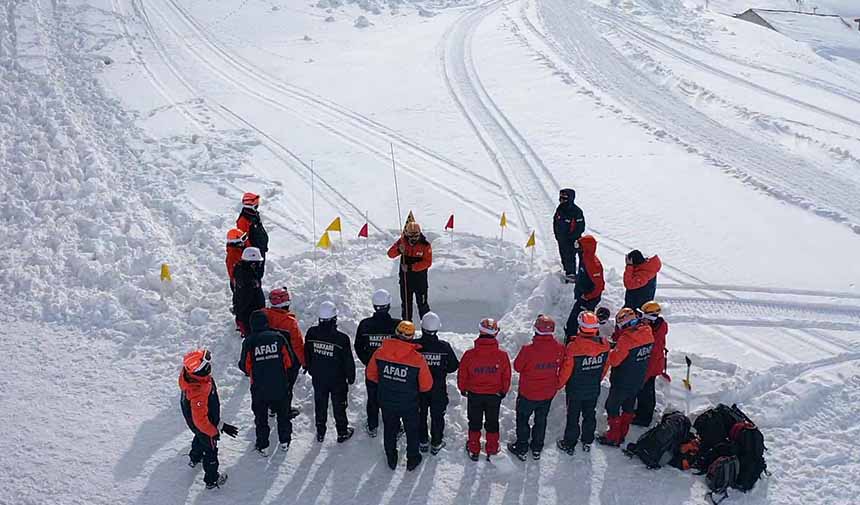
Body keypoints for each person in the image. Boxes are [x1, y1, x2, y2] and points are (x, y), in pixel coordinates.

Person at [366, 321, 433, 471]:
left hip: (386, 400)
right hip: (409, 403)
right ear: (412, 337)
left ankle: (391, 458)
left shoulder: (380, 352)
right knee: (412, 430)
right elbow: (426, 385)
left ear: (396, 332)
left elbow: (371, 375)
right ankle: (413, 459)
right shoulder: (417, 359)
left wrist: (387, 383)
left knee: (390, 429)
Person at [507, 315, 565, 461]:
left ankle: (521, 447)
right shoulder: (559, 348)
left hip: (528, 393)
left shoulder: (528, 350)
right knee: (541, 420)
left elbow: (518, 367)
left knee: (523, 419)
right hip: (547, 393)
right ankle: (537, 447)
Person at [179, 349, 238, 489]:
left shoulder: (193, 377)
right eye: (207, 365)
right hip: (204, 426)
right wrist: (214, 431)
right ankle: (211, 480)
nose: (210, 366)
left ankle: (194, 458)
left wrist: (219, 424)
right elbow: (201, 422)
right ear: (200, 371)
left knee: (199, 437)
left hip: (197, 423)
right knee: (210, 449)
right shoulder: (198, 392)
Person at [238, 311, 294, 454]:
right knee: (283, 414)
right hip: (280, 384)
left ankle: (263, 445)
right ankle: (285, 441)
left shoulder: (249, 342)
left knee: (261, 418)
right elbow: (289, 361)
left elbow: (244, 365)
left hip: (259, 387)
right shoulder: (278, 337)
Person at [556, 311, 610, 454]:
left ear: (580, 327)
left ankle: (569, 443)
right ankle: (587, 440)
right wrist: (597, 378)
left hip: (575, 390)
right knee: (589, 414)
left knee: (573, 416)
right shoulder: (604, 345)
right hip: (593, 388)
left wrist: (558, 384)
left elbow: (566, 370)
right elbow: (605, 366)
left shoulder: (573, 347)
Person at [598, 308, 654, 447]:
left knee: (612, 406)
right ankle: (622, 433)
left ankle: (613, 437)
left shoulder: (626, 340)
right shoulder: (648, 333)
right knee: (628, 406)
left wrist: (611, 351)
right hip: (638, 379)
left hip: (622, 380)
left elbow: (615, 360)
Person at [457, 318, 511, 461]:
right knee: (492, 422)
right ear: (495, 333)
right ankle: (492, 448)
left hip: (474, 395)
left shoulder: (469, 355)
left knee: (474, 421)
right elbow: (506, 376)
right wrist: (503, 391)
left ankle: (474, 448)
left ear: (480, 331)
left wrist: (463, 389)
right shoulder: (502, 356)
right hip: (494, 396)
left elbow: (462, 374)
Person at [304, 301, 356, 443]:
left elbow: (306, 354)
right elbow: (348, 361)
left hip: (319, 377)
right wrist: (351, 378)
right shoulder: (341, 339)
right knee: (339, 405)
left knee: (320, 403)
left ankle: (320, 432)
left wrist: (310, 369)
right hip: (337, 380)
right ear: (334, 318)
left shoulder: (311, 333)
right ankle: (342, 432)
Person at [354, 289, 400, 437]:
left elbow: (358, 346)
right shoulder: (397, 325)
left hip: (372, 370)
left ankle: (373, 425)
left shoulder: (365, 325)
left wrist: (368, 362)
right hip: (392, 371)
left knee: (372, 398)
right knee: (393, 398)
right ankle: (395, 427)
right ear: (388, 305)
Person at [414, 312, 459, 455]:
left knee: (420, 415)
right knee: (437, 415)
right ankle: (436, 442)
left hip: (419, 388)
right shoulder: (444, 347)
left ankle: (422, 441)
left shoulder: (415, 346)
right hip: (438, 389)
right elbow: (453, 366)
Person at [262, 287, 305, 419]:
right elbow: (297, 346)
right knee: (286, 388)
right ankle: (285, 410)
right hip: (287, 362)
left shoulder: (263, 315)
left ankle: (272, 407)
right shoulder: (290, 323)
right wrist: (304, 362)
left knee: (271, 384)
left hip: (268, 358)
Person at [633, 301, 669, 427]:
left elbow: (653, 358)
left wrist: (644, 376)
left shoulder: (655, 337)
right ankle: (642, 412)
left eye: (644, 317)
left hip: (651, 367)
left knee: (646, 392)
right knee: (646, 391)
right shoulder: (656, 327)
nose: (641, 319)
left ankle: (644, 418)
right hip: (650, 365)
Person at [387, 221, 432, 321]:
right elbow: (390, 254)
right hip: (406, 281)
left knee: (423, 305)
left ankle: (428, 328)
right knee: (406, 307)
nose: (414, 239)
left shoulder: (425, 245)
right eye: (411, 236)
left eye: (416, 236)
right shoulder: (402, 241)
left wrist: (411, 267)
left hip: (420, 281)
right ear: (407, 234)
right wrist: (399, 250)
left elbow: (427, 262)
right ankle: (406, 327)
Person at [563, 235, 605, 338]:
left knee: (574, 321)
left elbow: (600, 286)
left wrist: (587, 297)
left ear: (585, 247)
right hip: (584, 294)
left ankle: (572, 338)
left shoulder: (593, 264)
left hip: (588, 298)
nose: (577, 247)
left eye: (580, 245)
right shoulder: (585, 257)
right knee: (584, 319)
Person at [553, 188, 585, 281]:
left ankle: (572, 276)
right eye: (561, 197)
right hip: (561, 239)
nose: (562, 199)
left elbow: (581, 227)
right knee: (564, 256)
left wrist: (572, 237)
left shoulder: (577, 211)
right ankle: (567, 271)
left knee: (570, 257)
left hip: (571, 240)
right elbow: (555, 221)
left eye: (565, 197)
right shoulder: (560, 208)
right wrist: (557, 234)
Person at [232, 247, 265, 336]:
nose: (259, 265)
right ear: (252, 263)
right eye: (258, 263)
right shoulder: (248, 280)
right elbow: (245, 300)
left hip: (248, 315)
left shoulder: (243, 272)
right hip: (251, 318)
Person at [236, 192, 269, 277]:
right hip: (254, 254)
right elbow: (244, 239)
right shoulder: (244, 219)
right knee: (254, 275)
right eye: (256, 203)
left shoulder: (254, 215)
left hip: (260, 249)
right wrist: (252, 254)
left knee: (260, 272)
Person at [225, 228, 246, 293]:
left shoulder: (239, 250)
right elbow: (233, 273)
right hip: (239, 285)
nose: (244, 241)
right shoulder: (233, 255)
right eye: (243, 238)